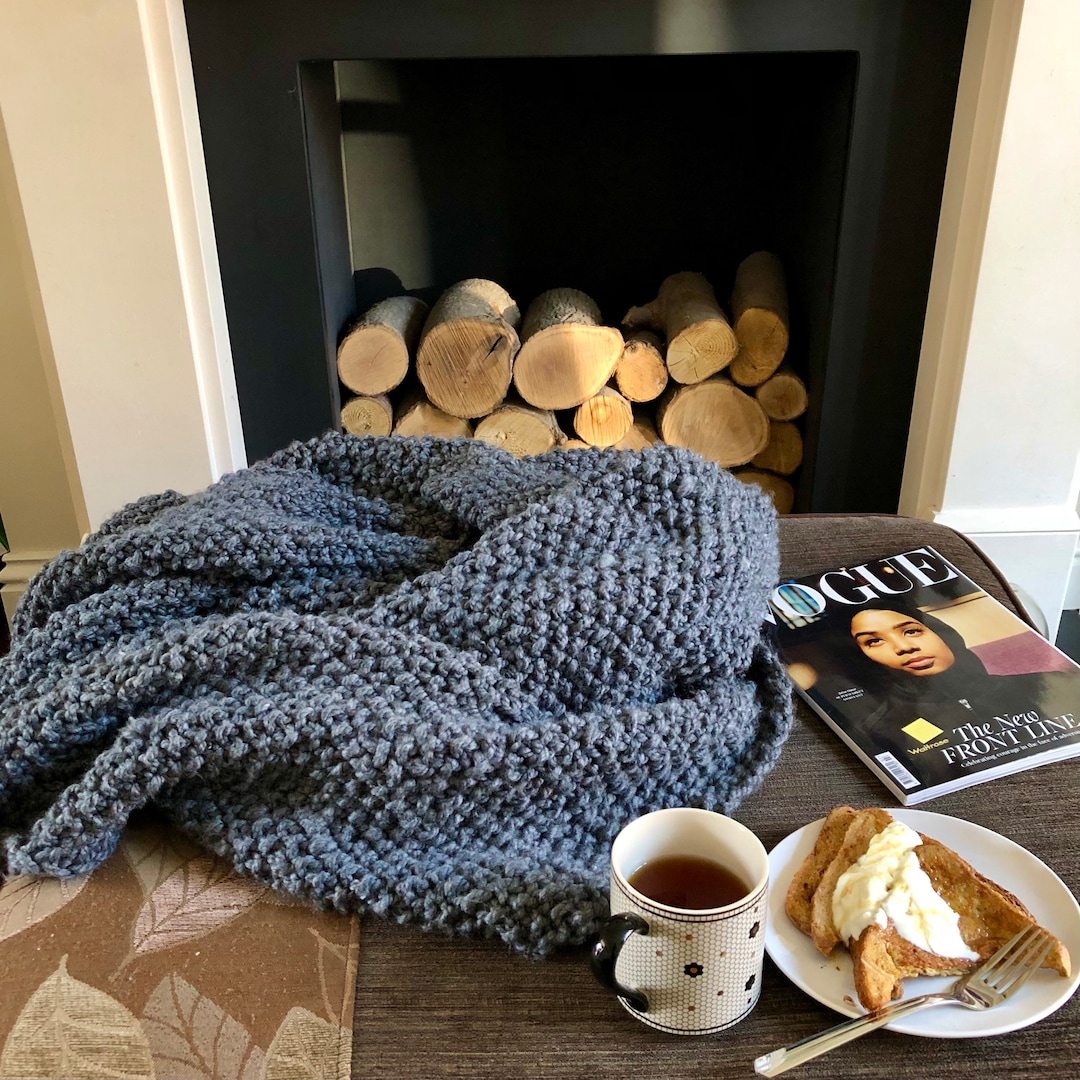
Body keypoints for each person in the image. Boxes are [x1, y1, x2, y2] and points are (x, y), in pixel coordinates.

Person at [838, 598, 1077, 786]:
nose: (904, 647)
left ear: (940, 632)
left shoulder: (1045, 682)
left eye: (911, 631)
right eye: (873, 641)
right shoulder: (879, 730)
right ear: (863, 658)